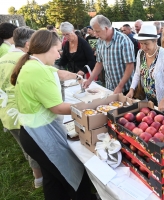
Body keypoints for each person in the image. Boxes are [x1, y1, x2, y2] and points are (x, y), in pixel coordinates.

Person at [10, 30, 94, 199]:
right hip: (40, 135)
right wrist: (88, 106)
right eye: (57, 50)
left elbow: (58, 73)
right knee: (73, 175)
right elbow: (58, 108)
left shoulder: (33, 64)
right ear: (47, 48)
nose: (58, 55)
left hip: (32, 132)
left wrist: (77, 77)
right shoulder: (37, 71)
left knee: (52, 180)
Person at [0, 27, 43, 188]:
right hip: (22, 110)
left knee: (24, 144)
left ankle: (37, 175)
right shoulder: (25, 60)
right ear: (27, 44)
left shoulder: (4, 57)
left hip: (6, 111)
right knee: (34, 145)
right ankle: (39, 178)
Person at [126, 25, 164, 110]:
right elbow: (137, 73)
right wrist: (131, 89)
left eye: (146, 43)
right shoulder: (140, 53)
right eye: (141, 43)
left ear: (155, 41)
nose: (143, 47)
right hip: (149, 99)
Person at [83, 15, 135, 94]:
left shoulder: (123, 40)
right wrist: (89, 80)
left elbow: (130, 65)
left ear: (106, 28)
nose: (96, 35)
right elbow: (99, 63)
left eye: (97, 31)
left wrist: (120, 86)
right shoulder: (100, 41)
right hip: (110, 87)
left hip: (126, 88)